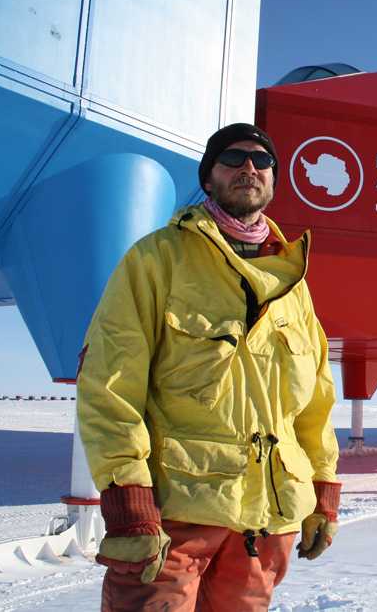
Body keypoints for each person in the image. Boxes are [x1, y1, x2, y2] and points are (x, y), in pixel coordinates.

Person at [77, 123, 340, 611]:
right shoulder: (158, 259)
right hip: (172, 516)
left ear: (274, 182)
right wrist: (127, 494)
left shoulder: (292, 281)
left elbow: (315, 399)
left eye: (262, 162)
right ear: (208, 176)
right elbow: (111, 384)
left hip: (266, 523)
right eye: (233, 158)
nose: (249, 168)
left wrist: (323, 490)